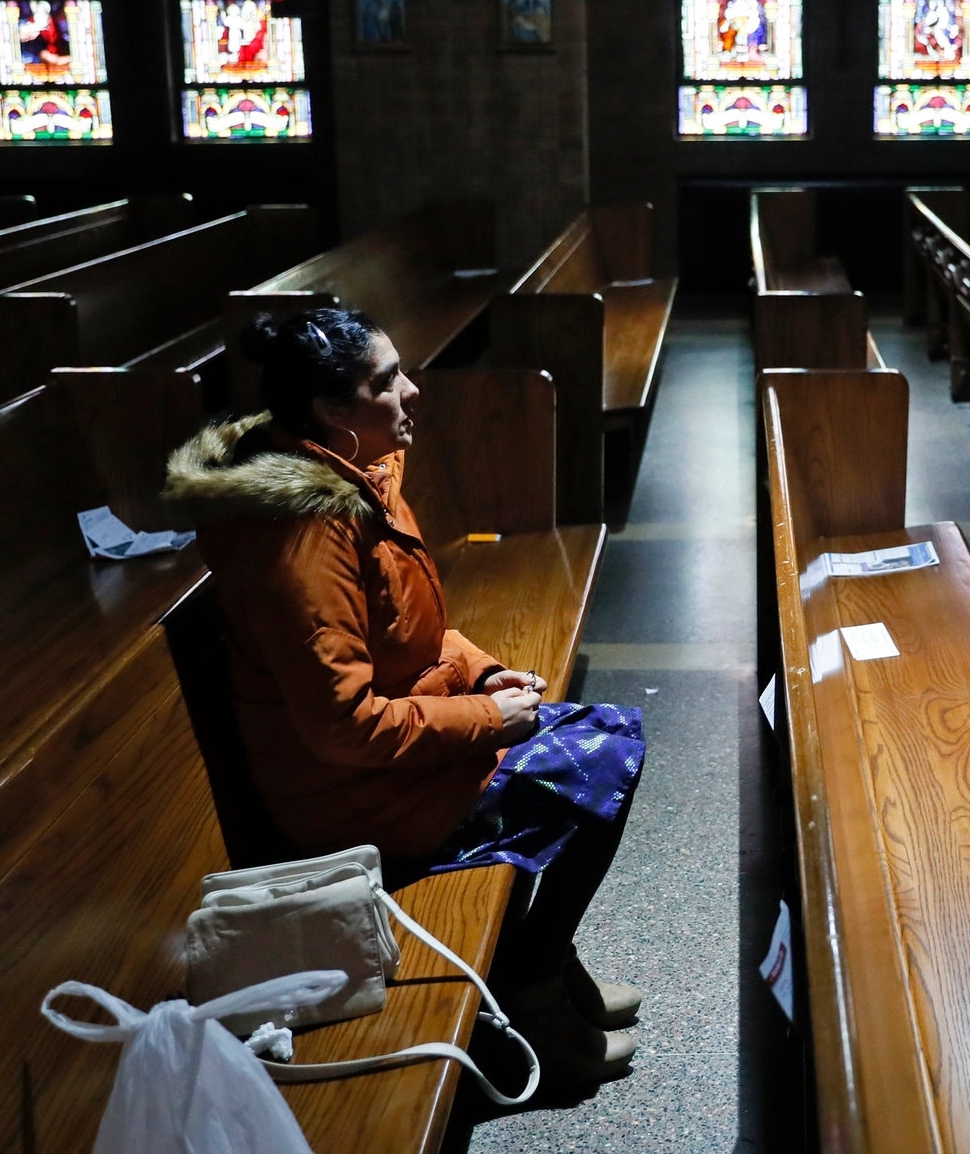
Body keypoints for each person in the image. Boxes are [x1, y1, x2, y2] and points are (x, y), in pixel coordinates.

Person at [163, 307, 645, 1084]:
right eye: (386, 381)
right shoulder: (304, 534)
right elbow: (342, 724)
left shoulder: (359, 475)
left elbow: (409, 636)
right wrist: (490, 718)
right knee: (602, 763)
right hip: (352, 797)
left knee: (608, 744)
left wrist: (483, 674)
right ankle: (535, 984)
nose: (413, 391)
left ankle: (543, 966)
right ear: (331, 412)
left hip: (392, 760)